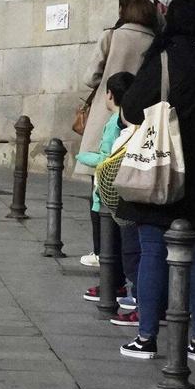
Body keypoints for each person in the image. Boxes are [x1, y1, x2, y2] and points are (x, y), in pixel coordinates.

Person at [114, 0, 195, 362]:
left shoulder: (165, 58)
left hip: (164, 167)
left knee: (155, 248)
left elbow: (133, 106)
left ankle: (147, 336)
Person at [77, 0, 160, 264]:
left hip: (107, 113)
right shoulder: (155, 40)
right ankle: (128, 254)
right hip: (138, 119)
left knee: (99, 187)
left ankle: (101, 251)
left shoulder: (111, 36)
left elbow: (91, 77)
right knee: (131, 187)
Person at [78, 71, 138, 316]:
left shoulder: (117, 123)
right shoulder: (122, 120)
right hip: (107, 194)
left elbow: (107, 158)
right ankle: (113, 285)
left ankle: (113, 286)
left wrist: (82, 156)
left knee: (109, 244)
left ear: (110, 95)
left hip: (106, 194)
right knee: (112, 244)